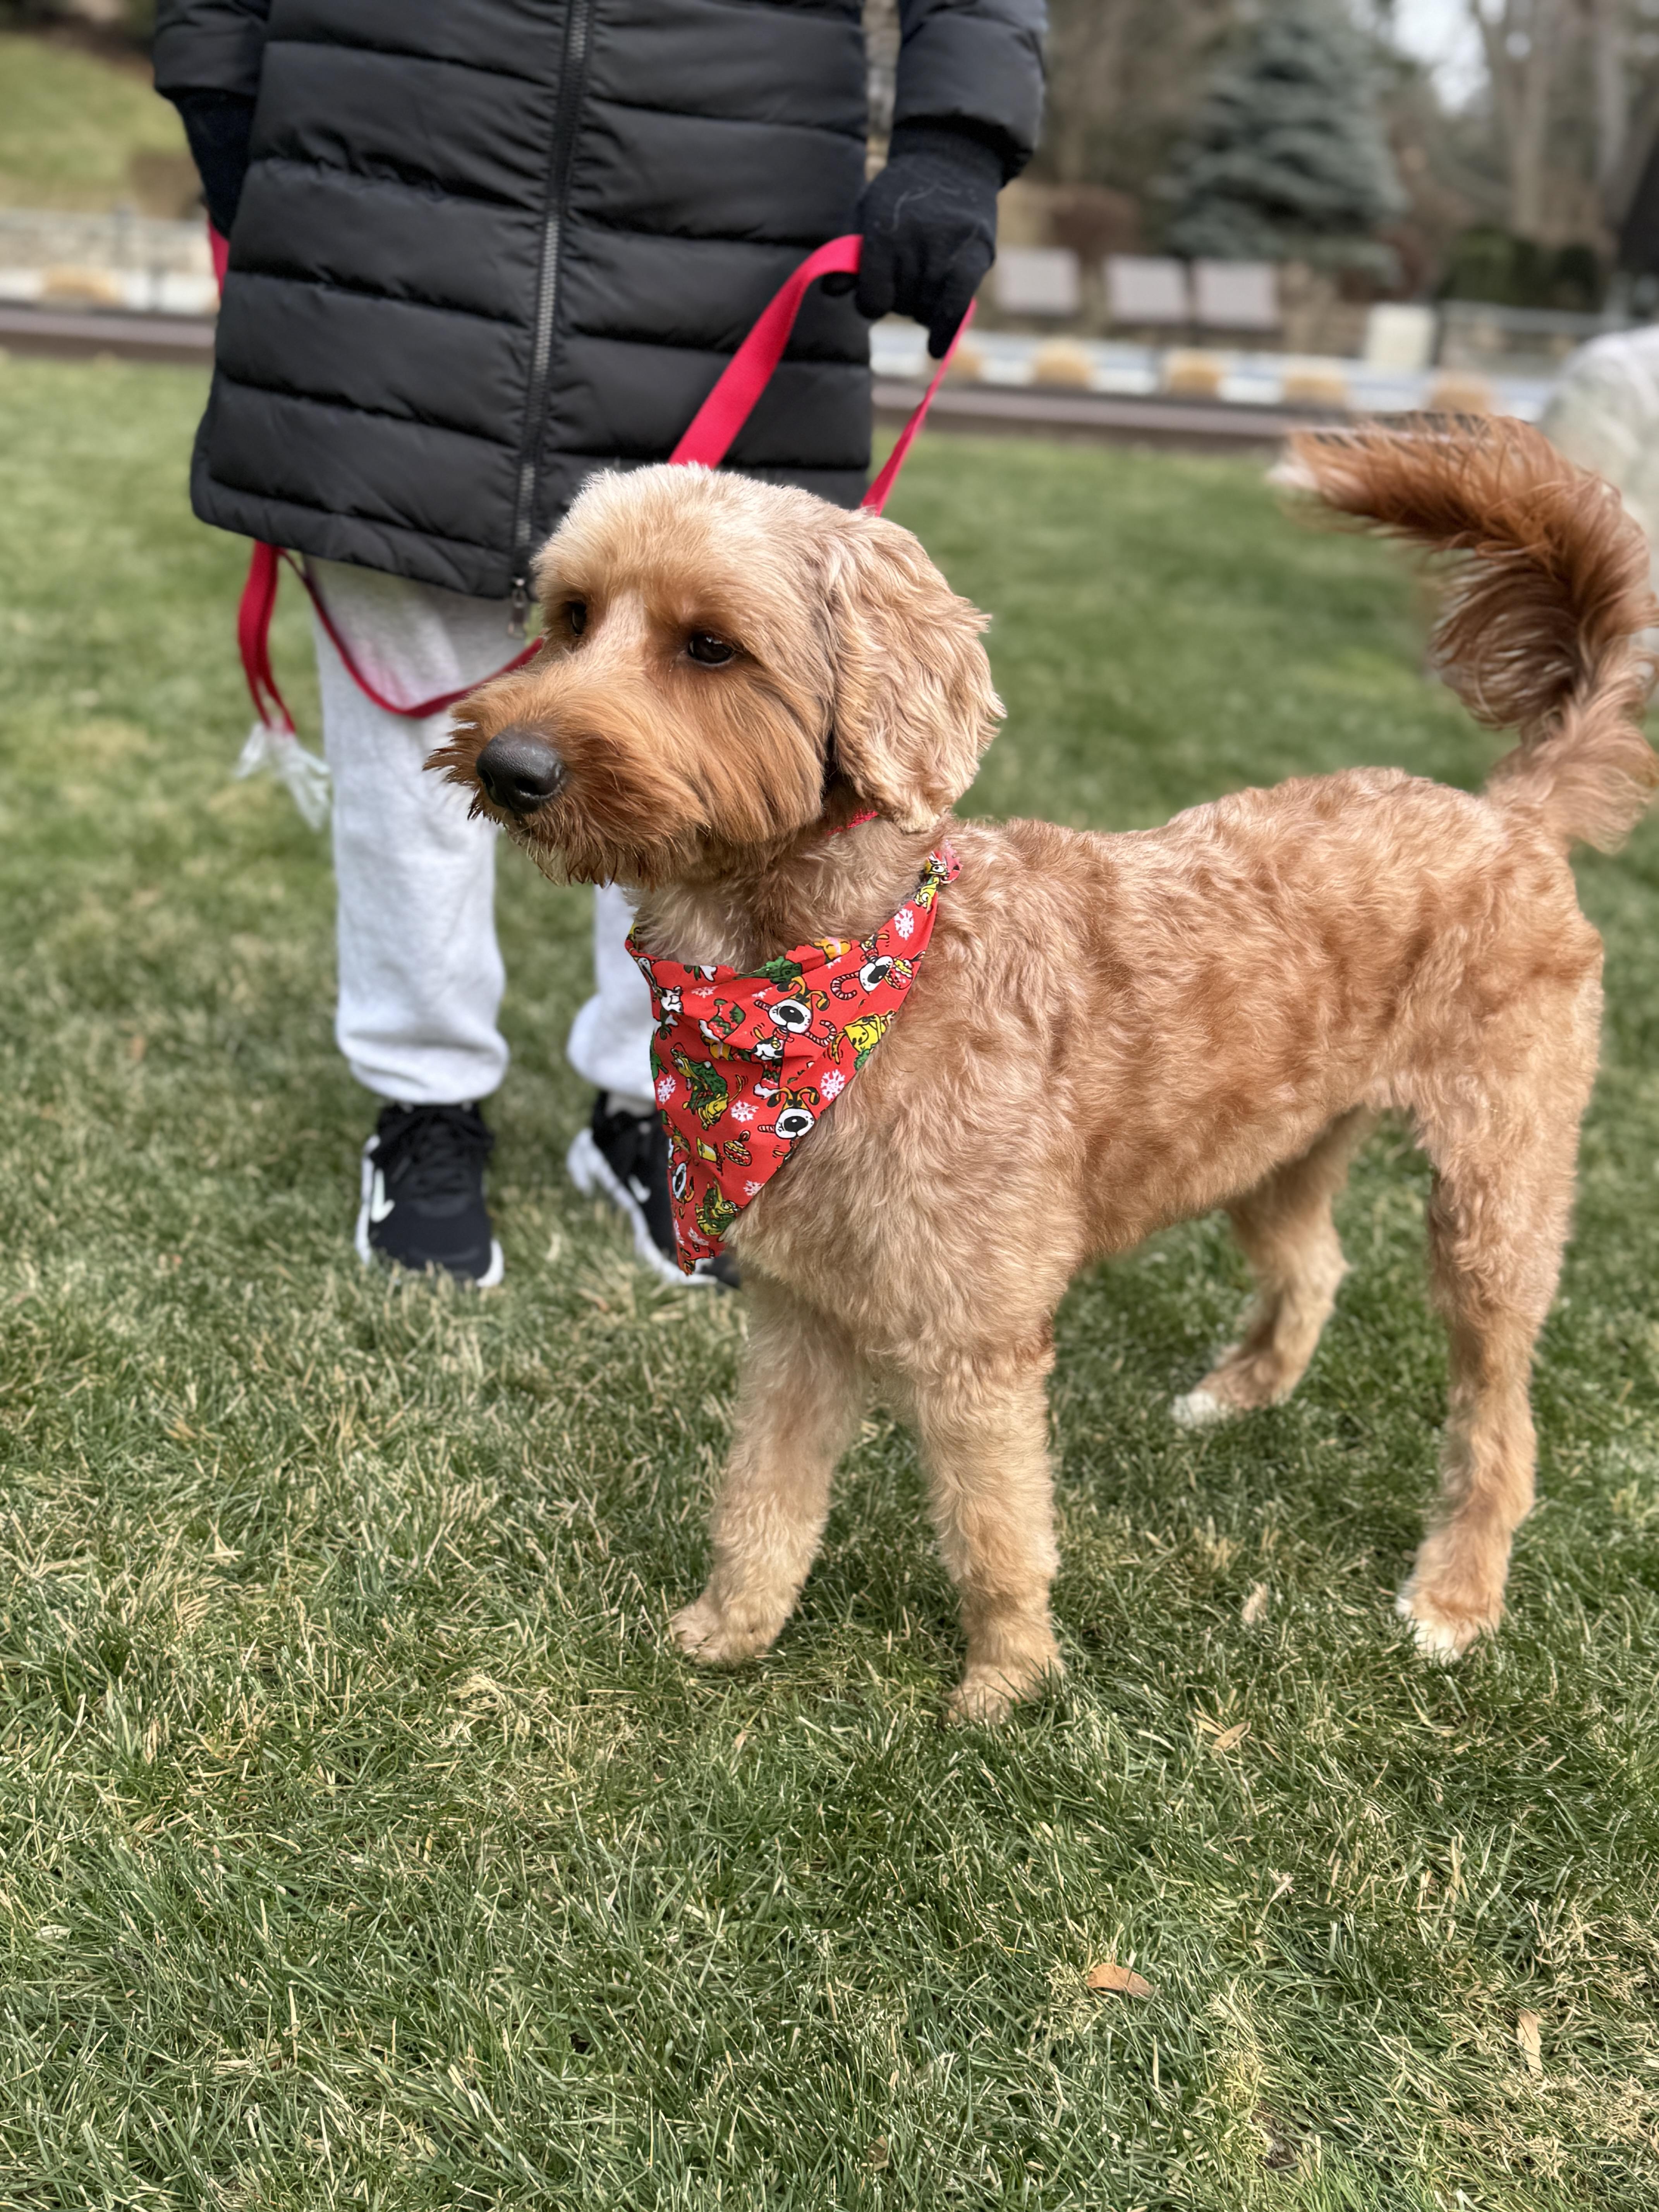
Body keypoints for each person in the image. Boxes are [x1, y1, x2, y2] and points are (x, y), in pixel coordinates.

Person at [153, 0, 1046, 1288]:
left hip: (728, 210)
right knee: (410, 709)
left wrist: (958, 137)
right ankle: (424, 1102)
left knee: (703, 735)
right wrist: (220, 84)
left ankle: (656, 1099)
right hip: (389, 165)